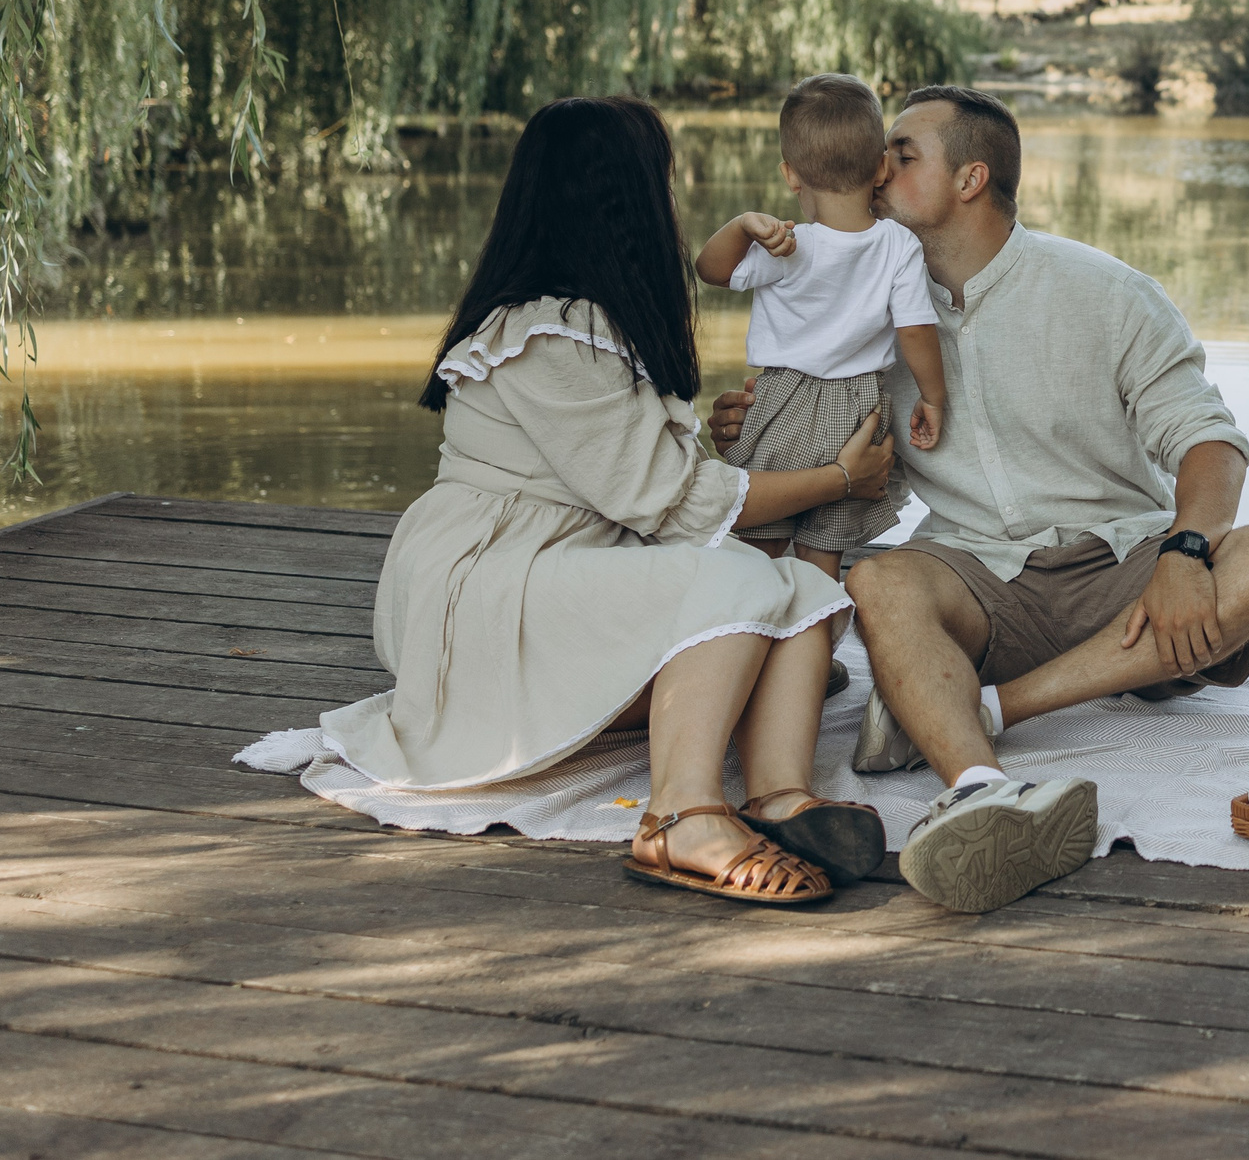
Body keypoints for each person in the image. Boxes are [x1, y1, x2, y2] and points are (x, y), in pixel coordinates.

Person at [712, 86, 1249, 915]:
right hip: (978, 579)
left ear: (971, 178)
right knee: (882, 583)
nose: (876, 168)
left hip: (1120, 570)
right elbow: (837, 455)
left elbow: (1209, 442)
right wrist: (753, 422)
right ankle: (983, 789)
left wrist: (1185, 551)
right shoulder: (862, 308)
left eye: (903, 153)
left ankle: (991, 708)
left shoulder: (1106, 292)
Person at [325, 96, 896, 907]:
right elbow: (675, 502)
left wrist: (717, 438)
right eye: (659, 182)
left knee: (806, 592)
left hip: (567, 560)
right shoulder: (545, 332)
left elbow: (641, 473)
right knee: (733, 586)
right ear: (618, 197)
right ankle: (680, 817)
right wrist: (844, 481)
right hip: (495, 583)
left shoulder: (591, 323)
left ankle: (780, 798)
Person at [696, 74, 948, 586]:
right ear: (880, 168)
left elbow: (710, 270)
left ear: (792, 176)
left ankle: (752, 640)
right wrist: (933, 398)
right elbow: (917, 331)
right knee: (822, 558)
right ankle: (819, 658)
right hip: (859, 408)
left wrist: (744, 224)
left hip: (783, 400)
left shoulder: (786, 245)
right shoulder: (899, 246)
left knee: (758, 547)